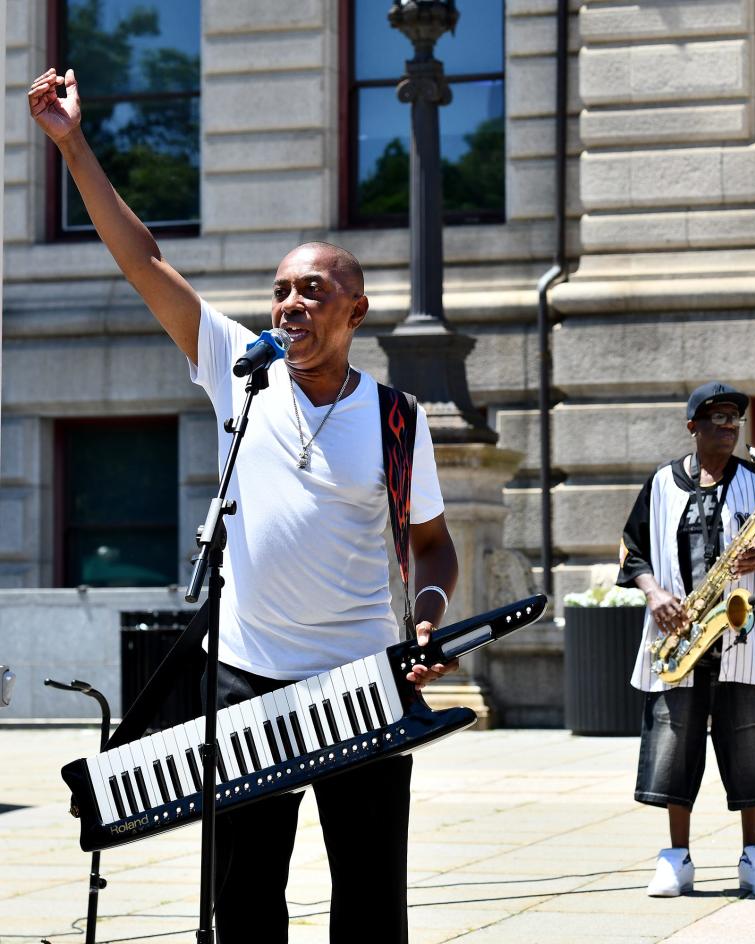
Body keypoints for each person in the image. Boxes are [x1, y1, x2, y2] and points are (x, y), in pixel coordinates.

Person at [29, 67, 459, 943]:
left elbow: (434, 543)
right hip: (247, 679)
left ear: (356, 311)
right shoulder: (242, 370)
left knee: (370, 906)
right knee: (245, 901)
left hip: (360, 682)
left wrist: (426, 618)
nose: (291, 303)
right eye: (282, 290)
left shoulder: (393, 416)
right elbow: (142, 257)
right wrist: (72, 144)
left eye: (314, 291)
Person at [617, 381, 755, 898]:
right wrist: (653, 594)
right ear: (692, 425)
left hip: (742, 634)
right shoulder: (660, 484)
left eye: (734, 419)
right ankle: (677, 860)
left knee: (752, 748)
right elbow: (631, 552)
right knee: (674, 749)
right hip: (679, 633)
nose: (728, 426)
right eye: (717, 417)